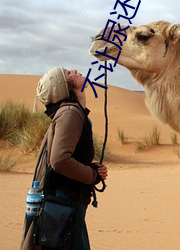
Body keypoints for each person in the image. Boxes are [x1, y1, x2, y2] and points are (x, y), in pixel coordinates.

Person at [22, 66, 108, 250]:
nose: (75, 70)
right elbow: (60, 160)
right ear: (65, 86)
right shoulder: (70, 112)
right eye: (69, 73)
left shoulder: (72, 111)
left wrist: (90, 167)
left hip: (67, 205)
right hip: (64, 206)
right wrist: (91, 175)